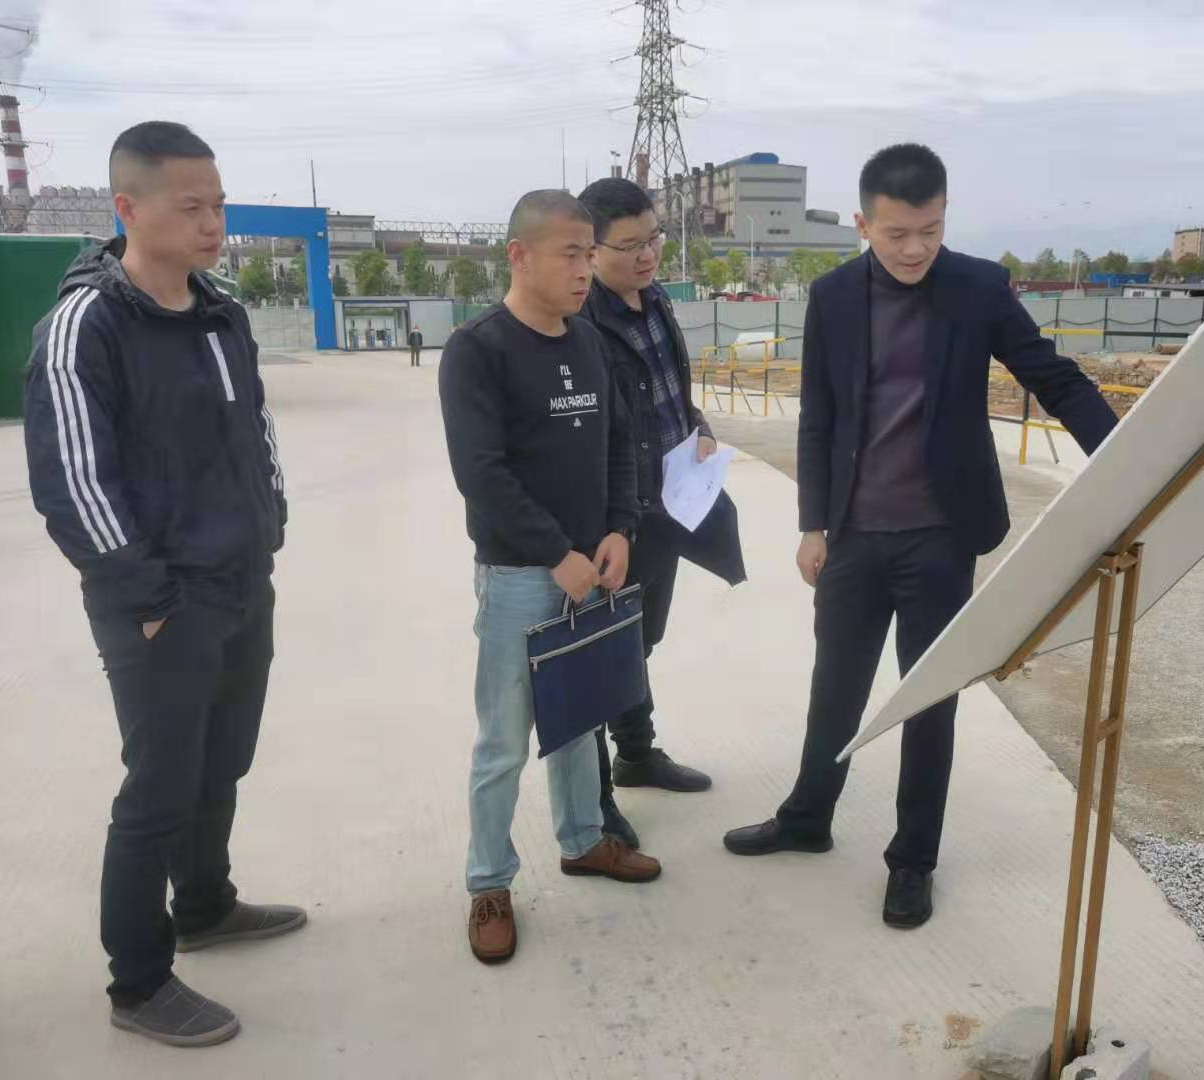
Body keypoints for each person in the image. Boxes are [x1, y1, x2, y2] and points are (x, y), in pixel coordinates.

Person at [723, 144, 1119, 928]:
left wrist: (1125, 457)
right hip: (853, 536)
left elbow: (1054, 378)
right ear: (864, 223)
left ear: (945, 218)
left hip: (941, 536)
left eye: (930, 231)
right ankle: (807, 818)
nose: (914, 249)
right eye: (897, 233)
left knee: (928, 702)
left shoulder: (977, 287)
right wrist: (812, 524)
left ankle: (913, 861)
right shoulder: (834, 296)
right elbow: (819, 417)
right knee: (835, 689)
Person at [23, 121, 301, 1048]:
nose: (213, 223)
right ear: (129, 209)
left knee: (223, 762)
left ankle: (206, 905)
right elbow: (74, 481)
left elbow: (255, 426)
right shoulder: (85, 326)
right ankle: (138, 982)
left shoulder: (221, 313)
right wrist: (145, 599)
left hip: (241, 579)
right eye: (192, 207)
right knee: (158, 790)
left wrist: (270, 521)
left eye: (218, 205)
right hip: (162, 602)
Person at [438, 189, 663, 967]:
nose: (583, 270)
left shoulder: (589, 341)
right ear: (519, 255)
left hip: (591, 570)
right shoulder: (478, 350)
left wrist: (619, 529)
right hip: (519, 577)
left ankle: (582, 840)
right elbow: (481, 473)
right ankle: (489, 883)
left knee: (578, 722)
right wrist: (555, 554)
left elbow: (618, 445)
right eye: (570, 253)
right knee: (504, 740)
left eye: (588, 253)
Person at [575, 177, 747, 848]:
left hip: (671, 501)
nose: (648, 255)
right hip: (617, 516)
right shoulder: (581, 324)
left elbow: (671, 393)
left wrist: (698, 425)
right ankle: (592, 800)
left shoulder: (657, 301)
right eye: (631, 245)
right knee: (599, 654)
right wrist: (612, 520)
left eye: (654, 238)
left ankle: (637, 753)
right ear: (591, 250)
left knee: (639, 641)